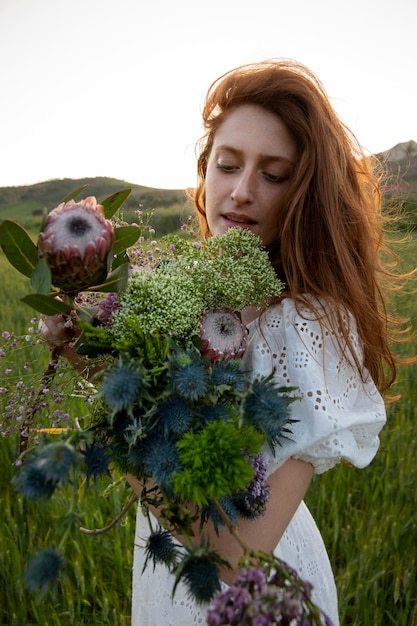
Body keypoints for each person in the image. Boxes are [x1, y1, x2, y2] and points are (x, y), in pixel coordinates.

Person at [128, 59, 404, 626]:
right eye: (228, 166)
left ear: (306, 194)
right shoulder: (191, 297)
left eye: (274, 175)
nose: (242, 192)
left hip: (254, 593)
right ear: (205, 173)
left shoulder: (308, 327)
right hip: (167, 572)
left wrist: (113, 404)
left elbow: (232, 555)